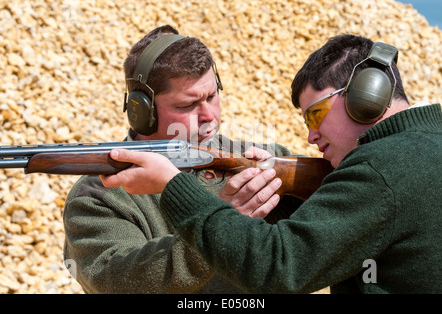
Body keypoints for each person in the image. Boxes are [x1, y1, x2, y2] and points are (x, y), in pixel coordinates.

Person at [101, 34, 442, 293]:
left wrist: (175, 187)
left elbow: (280, 266)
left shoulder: (378, 169)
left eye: (316, 113)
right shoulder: (426, 145)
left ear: (366, 95)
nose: (311, 136)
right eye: (189, 104)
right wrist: (276, 188)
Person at [63, 25, 296, 294]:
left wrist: (285, 201)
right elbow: (123, 283)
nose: (209, 115)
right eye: (187, 105)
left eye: (212, 95)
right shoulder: (97, 198)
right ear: (142, 111)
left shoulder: (260, 159)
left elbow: (324, 239)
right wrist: (221, 225)